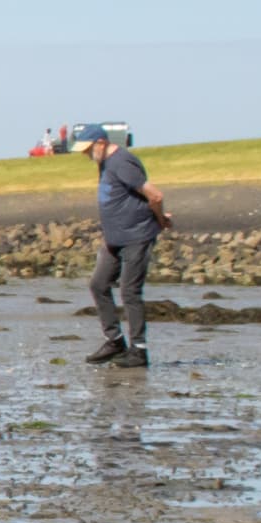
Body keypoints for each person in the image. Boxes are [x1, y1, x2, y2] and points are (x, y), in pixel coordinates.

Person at [77, 124, 169, 368]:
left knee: (129, 291)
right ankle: (115, 340)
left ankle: (138, 350)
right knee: (98, 284)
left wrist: (160, 220)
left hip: (136, 237)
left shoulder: (122, 162)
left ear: (101, 142)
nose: (86, 155)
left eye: (88, 149)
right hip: (114, 239)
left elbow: (155, 195)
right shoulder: (104, 163)